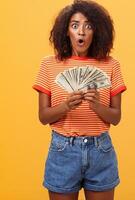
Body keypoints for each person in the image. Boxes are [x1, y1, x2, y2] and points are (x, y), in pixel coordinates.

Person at [32, 0, 126, 199]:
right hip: (62, 150)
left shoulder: (111, 65)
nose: (81, 31)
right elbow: (43, 116)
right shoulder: (49, 65)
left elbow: (116, 118)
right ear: (66, 31)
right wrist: (66, 106)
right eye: (75, 25)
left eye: (88, 25)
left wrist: (97, 105)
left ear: (97, 31)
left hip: (100, 151)